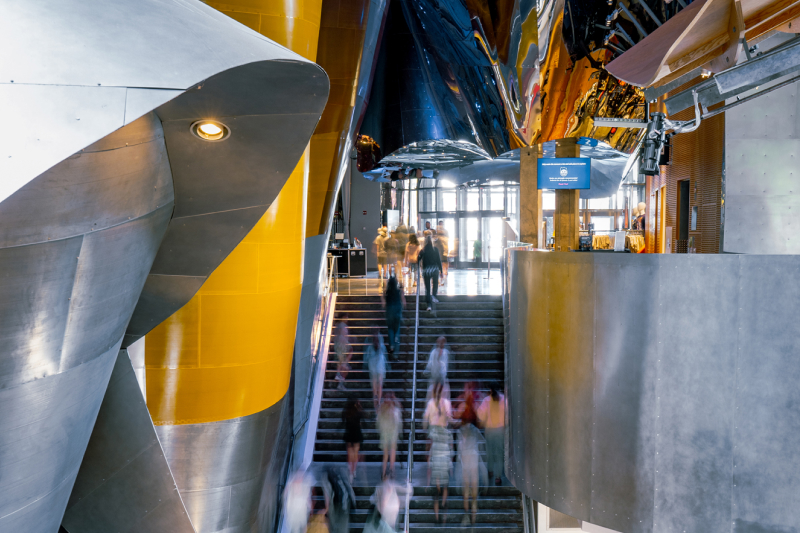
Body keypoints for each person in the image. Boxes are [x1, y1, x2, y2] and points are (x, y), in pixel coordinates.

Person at [423, 382, 452, 523]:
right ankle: (442, 498)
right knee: (441, 460)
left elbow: (426, 419)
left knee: (432, 459)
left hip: (434, 432)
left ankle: (432, 484)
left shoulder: (431, 403)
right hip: (442, 434)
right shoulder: (446, 403)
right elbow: (450, 419)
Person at [455, 384, 481, 525]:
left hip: (465, 455)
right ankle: (474, 513)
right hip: (474, 454)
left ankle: (466, 514)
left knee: (466, 485)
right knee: (474, 483)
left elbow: (460, 447)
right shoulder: (474, 427)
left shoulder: (461, 431)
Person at [478, 382, 506, 486]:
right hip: (500, 430)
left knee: (489, 452)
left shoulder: (486, 400)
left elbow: (480, 415)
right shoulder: (503, 400)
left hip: (489, 430)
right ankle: (498, 477)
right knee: (499, 453)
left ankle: (490, 470)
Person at [321, 466, 356, 533]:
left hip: (344, 508)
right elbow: (327, 499)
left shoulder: (342, 472)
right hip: (338, 509)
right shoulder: (326, 477)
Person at [377, 391, 402, 479]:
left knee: (386, 454)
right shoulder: (394, 410)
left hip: (386, 433)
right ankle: (390, 470)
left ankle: (385, 471)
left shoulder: (382, 408)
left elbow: (378, 421)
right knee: (391, 452)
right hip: (391, 433)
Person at [381, 275, 405, 356]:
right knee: (397, 331)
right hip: (397, 313)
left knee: (390, 330)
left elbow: (383, 305)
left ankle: (391, 347)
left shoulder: (386, 293)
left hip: (389, 313)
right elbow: (404, 303)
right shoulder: (399, 291)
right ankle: (396, 353)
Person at [284, 469, 313, 533]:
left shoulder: (305, 486)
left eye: (301, 476)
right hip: (294, 510)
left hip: (300, 510)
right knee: (295, 527)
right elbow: (286, 495)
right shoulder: (292, 483)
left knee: (300, 525)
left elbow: (308, 499)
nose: (300, 478)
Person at [418, 234, 442, 311]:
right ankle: (434, 296)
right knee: (435, 284)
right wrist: (441, 270)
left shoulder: (423, 250)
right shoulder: (435, 249)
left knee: (427, 288)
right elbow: (439, 260)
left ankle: (429, 305)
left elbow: (418, 259)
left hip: (426, 270)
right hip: (434, 269)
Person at [364, 329, 387, 407]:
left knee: (375, 388)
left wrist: (365, 363)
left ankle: (376, 404)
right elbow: (384, 352)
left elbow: (366, 354)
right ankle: (379, 402)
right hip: (379, 362)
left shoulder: (369, 341)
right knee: (379, 385)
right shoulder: (380, 340)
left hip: (373, 363)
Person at [342, 398, 364, 480]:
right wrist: (359, 407)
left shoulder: (347, 412)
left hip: (349, 433)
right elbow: (363, 418)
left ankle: (350, 470)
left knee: (350, 453)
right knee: (355, 453)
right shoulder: (358, 412)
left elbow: (342, 421)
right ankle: (353, 470)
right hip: (357, 433)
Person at [333, 319, 352, 391]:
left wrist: (345, 361)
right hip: (339, 358)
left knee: (345, 367)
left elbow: (349, 348)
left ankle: (339, 377)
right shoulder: (340, 338)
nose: (346, 331)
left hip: (342, 358)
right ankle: (338, 376)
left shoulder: (343, 338)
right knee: (345, 367)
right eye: (345, 329)